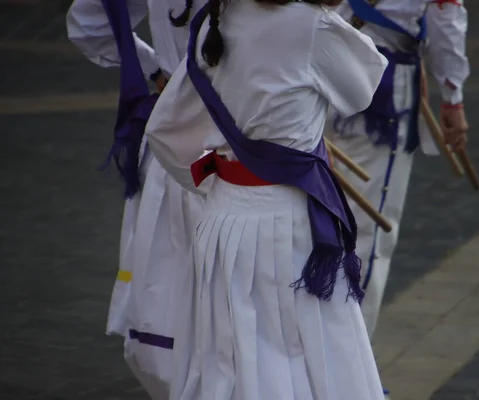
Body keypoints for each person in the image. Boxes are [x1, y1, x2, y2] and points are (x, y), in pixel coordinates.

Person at [145, 0, 390, 398]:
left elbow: (165, 132)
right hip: (287, 219)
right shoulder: (312, 24)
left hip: (222, 217)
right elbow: (362, 87)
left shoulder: (215, 17)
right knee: (300, 357)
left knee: (225, 361)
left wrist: (220, 183)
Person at [66, 1, 207, 398]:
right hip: (247, 161)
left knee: (168, 320)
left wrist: (161, 72)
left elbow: (88, 24)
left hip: (173, 142)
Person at [328, 0, 470, 343]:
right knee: (366, 235)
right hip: (383, 80)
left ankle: (314, 360)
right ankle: (347, 370)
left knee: (323, 218)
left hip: (323, 66)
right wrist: (453, 98)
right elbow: (444, 14)